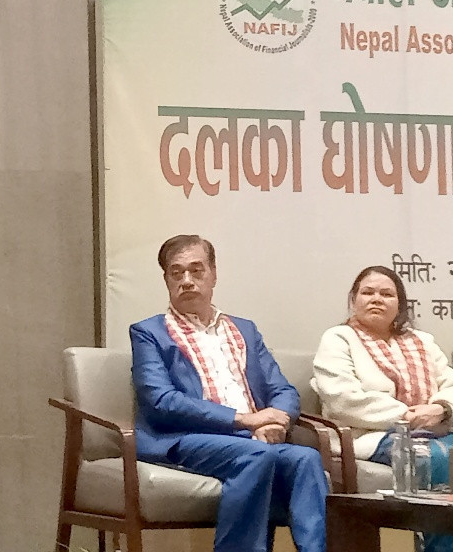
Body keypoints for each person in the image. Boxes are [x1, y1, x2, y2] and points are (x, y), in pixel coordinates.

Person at [130, 234, 327, 552]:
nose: (187, 281)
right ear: (166, 280)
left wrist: (278, 420)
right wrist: (246, 420)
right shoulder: (149, 333)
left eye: (196, 270)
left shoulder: (245, 330)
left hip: (248, 437)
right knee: (257, 455)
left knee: (305, 458)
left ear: (214, 275)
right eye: (176, 273)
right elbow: (161, 402)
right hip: (184, 437)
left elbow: (282, 389)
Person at [312, 265, 453, 552]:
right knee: (438, 458)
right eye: (368, 292)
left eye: (386, 294)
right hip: (373, 435)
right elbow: (343, 399)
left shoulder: (422, 341)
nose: (376, 299)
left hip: (436, 428)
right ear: (354, 300)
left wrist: (441, 409)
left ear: (400, 305)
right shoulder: (338, 339)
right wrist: (406, 416)